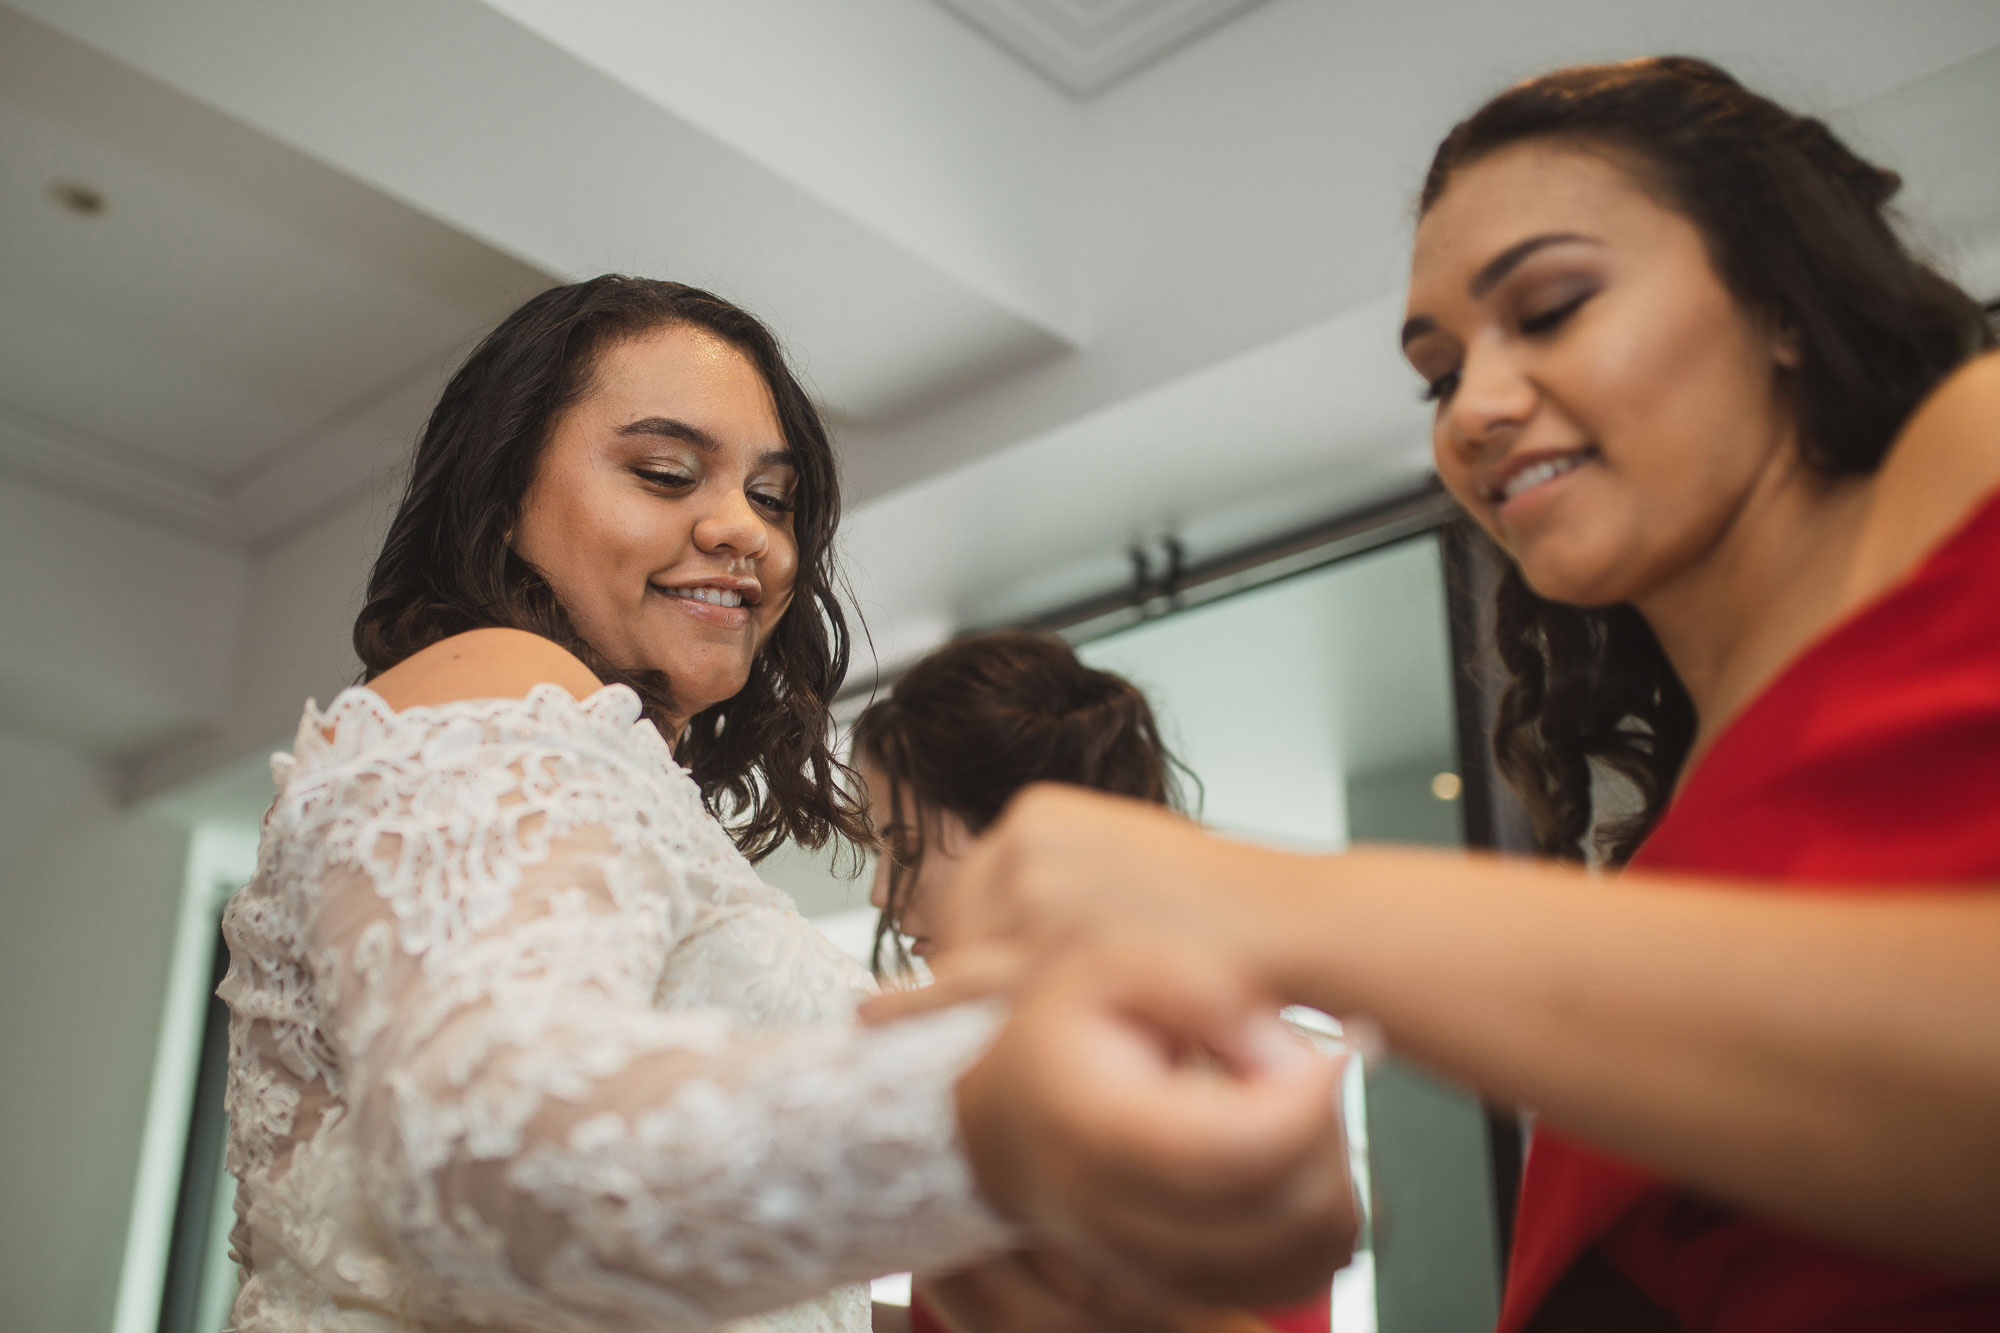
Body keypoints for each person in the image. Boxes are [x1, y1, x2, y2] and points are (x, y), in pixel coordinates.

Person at [869, 58, 2000, 1332]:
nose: (1476, 408)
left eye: (1553, 306)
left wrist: (1258, 900)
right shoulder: (1686, 845)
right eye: (1437, 372)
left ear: (1780, 297)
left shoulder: (1976, 445)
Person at [217, 277, 1355, 1333]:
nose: (745, 530)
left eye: (772, 495)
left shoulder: (609, 766)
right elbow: (486, 1153)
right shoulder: (496, 689)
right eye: (667, 473)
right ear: (502, 496)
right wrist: (992, 1122)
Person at [850, 633, 1336, 1333]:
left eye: (903, 846)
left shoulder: (1194, 1070)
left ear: (1023, 833)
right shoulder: (1011, 1053)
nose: (881, 892)